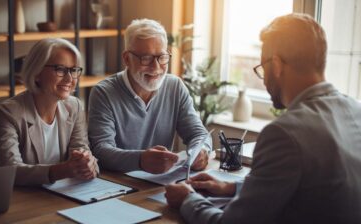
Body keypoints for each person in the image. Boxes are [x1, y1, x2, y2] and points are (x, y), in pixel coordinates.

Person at [165, 13, 361, 223]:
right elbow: (311, 190)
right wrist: (231, 187)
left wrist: (188, 199)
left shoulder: (284, 133)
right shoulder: (354, 110)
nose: (264, 79)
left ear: (276, 65)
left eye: (262, 68)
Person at [88, 19, 211, 174]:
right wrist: (140, 160)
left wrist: (201, 151)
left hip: (160, 183)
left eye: (162, 57)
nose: (156, 67)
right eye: (146, 58)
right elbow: (101, 151)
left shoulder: (175, 87)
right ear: (127, 59)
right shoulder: (104, 93)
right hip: (118, 184)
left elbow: (198, 133)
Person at [0, 38, 99, 186]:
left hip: (63, 194)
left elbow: (80, 150)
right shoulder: (9, 113)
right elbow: (10, 170)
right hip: (25, 199)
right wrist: (61, 171)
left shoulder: (74, 106)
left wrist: (87, 163)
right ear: (37, 72)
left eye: (74, 70)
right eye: (60, 69)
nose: (70, 78)